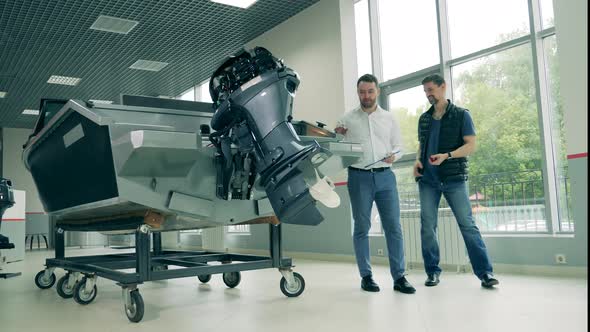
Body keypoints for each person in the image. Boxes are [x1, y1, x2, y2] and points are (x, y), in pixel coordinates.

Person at [414, 74, 499, 288]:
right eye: (425, 91)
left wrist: (447, 155)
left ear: (443, 87)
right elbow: (421, 146)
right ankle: (432, 272)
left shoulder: (461, 115)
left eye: (431, 89)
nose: (428, 94)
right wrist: (417, 161)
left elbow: (471, 145)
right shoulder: (424, 119)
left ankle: (485, 273)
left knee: (468, 225)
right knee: (427, 227)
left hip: (453, 179)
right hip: (428, 181)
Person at [335, 74, 415, 294]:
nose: (366, 96)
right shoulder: (347, 119)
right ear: (358, 92)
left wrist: (394, 156)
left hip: (386, 177)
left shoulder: (389, 118)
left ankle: (399, 277)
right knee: (362, 227)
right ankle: (366, 276)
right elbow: (338, 148)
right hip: (359, 177)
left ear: (377, 91)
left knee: (394, 228)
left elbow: (399, 146)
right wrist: (337, 136)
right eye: (362, 92)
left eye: (370, 91)